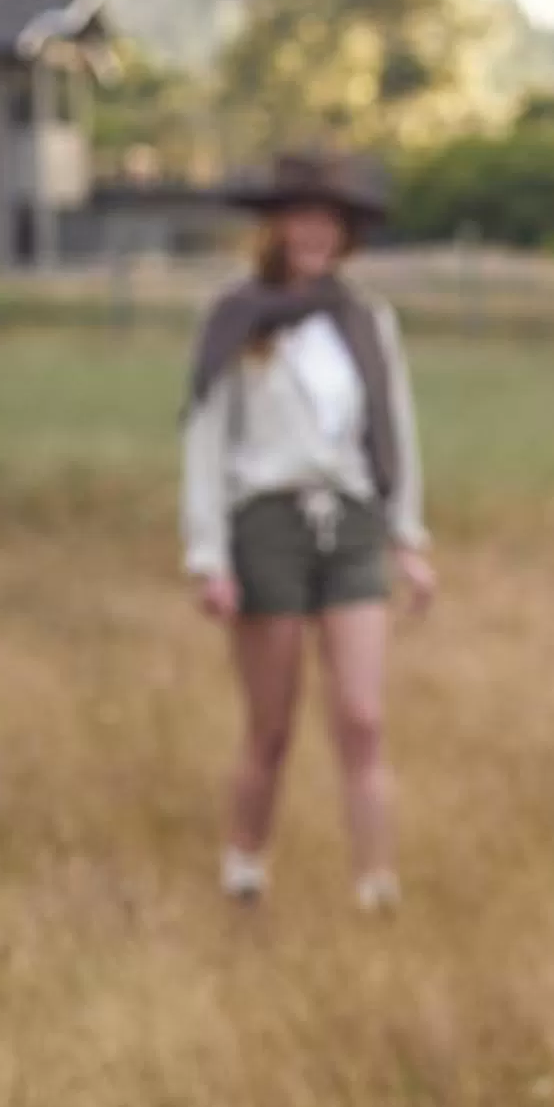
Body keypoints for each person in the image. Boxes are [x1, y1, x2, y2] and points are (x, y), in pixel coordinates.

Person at [180, 151, 435, 911]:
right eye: (302, 218)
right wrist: (209, 557)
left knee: (361, 717)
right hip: (266, 525)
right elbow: (204, 440)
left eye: (331, 221)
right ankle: (244, 872)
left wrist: (408, 539)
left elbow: (395, 432)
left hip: (351, 521)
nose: (316, 233)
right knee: (273, 725)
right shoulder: (237, 319)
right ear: (277, 226)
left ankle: (377, 887)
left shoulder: (365, 321)